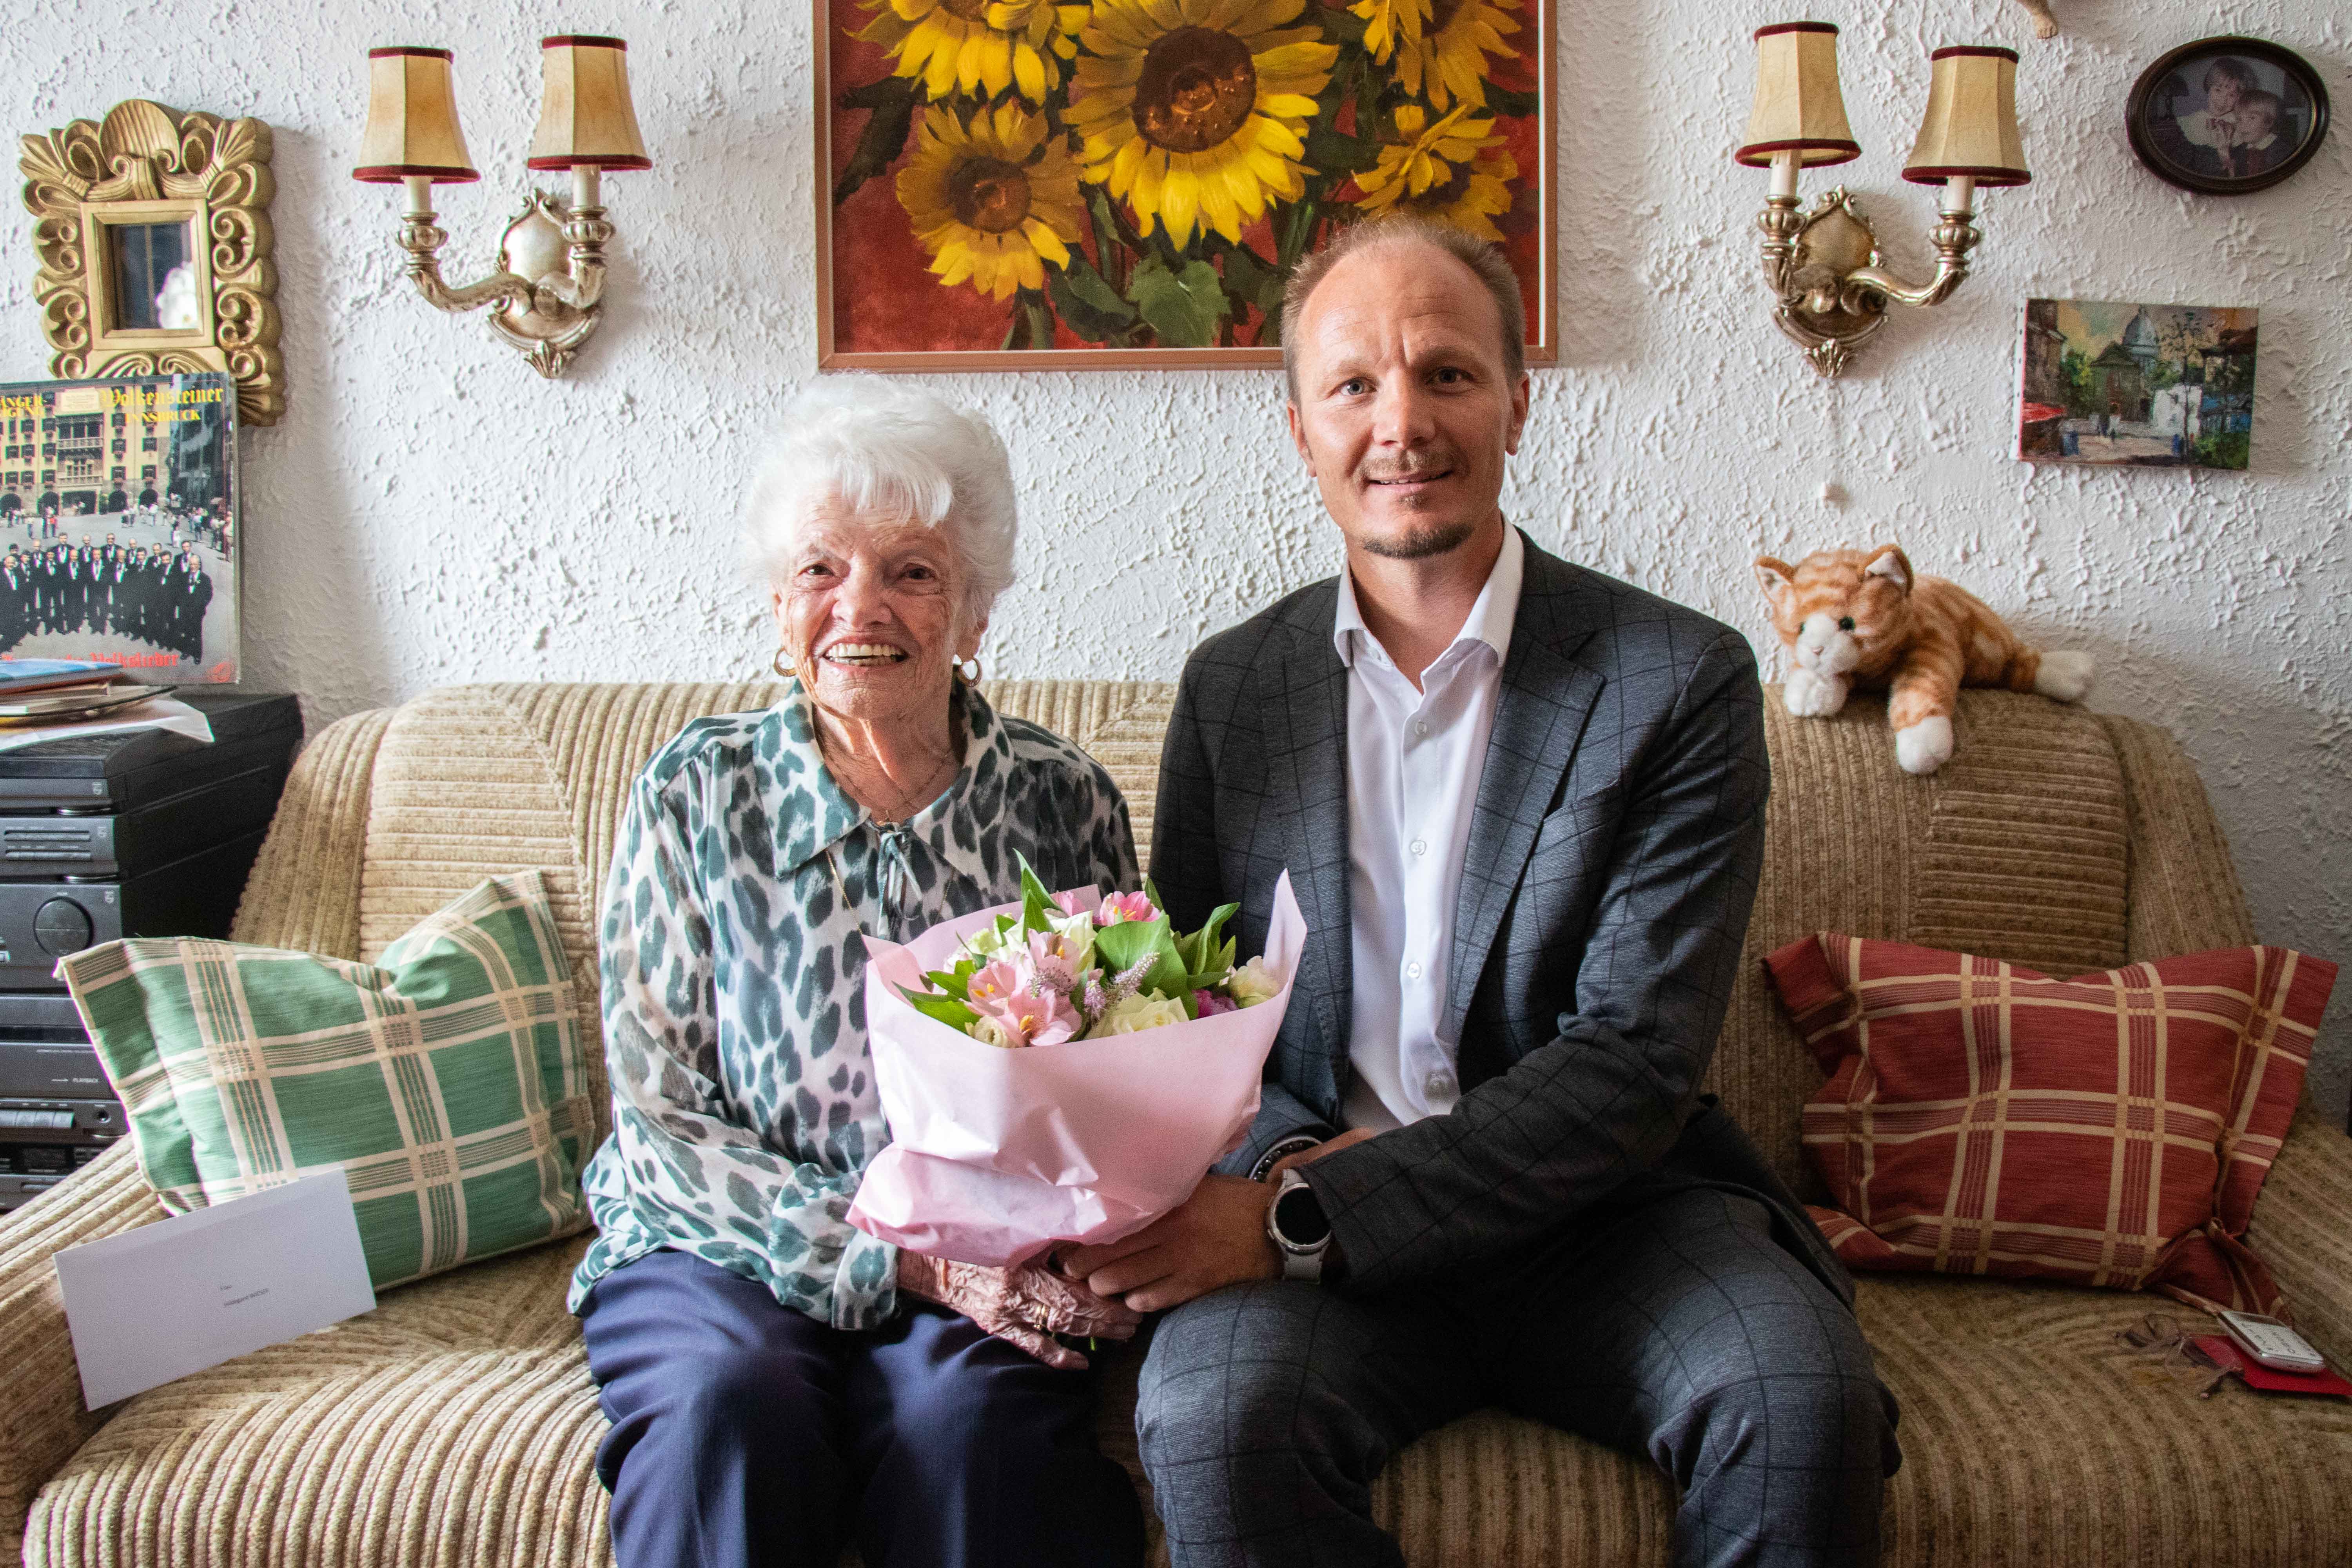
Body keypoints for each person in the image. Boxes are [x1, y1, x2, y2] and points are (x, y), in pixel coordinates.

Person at [1065, 218, 1899, 1567]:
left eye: (1446, 373)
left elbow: (1635, 1059)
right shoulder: (1234, 687)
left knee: (1798, 1402)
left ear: (1518, 399)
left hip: (1605, 1220)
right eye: (1353, 385)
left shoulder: (1676, 680)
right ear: (1300, 429)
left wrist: (1302, 1212)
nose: (1401, 424)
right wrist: (1276, 1173)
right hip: (1306, 1220)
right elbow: (1198, 1015)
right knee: (1218, 1427)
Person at [571, 377, 1149, 1568]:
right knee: (730, 1403)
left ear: (974, 613)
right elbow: (662, 1123)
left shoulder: (1064, 802)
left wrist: (1022, 1244)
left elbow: (1112, 1087)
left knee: (970, 1432)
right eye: (821, 569)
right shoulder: (695, 795)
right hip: (719, 1240)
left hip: (985, 1252)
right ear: (779, 604)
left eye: (912, 572)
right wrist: (895, 1259)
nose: (859, 606)